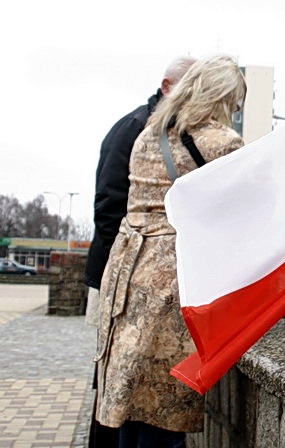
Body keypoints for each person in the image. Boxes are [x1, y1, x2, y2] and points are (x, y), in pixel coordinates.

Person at [94, 55, 246, 447]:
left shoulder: (147, 133)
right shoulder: (222, 142)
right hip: (170, 272)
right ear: (222, 97)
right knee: (164, 405)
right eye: (234, 102)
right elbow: (242, 213)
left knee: (129, 397)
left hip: (127, 268)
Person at [83, 55, 195, 448]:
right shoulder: (137, 129)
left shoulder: (165, 129)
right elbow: (110, 208)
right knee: (116, 384)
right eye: (189, 86)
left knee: (124, 386)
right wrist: (129, 271)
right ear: (167, 86)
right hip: (122, 274)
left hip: (132, 273)